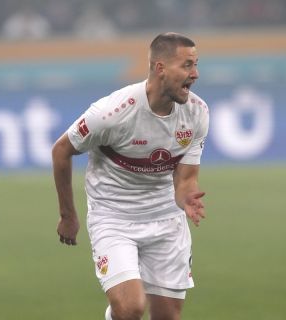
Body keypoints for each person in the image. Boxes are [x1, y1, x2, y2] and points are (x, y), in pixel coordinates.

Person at [52, 32, 209, 320]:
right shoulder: (112, 112)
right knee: (131, 308)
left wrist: (187, 197)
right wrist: (68, 216)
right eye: (187, 65)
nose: (195, 74)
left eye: (196, 65)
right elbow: (61, 151)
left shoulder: (197, 113)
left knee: (167, 317)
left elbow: (186, 179)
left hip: (165, 218)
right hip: (113, 218)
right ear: (160, 68)